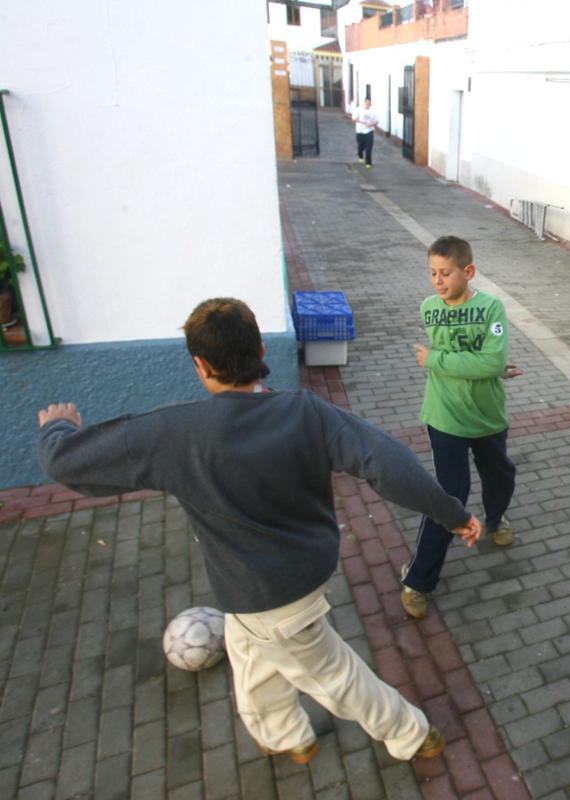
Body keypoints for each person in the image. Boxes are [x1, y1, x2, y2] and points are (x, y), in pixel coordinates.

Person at [36, 298, 482, 766]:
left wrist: (57, 428)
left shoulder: (175, 433)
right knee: (247, 653)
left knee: (334, 676)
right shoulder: (307, 412)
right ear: (261, 350)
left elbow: (66, 461)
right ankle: (287, 734)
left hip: (272, 596)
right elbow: (389, 462)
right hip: (269, 586)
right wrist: (452, 514)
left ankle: (413, 734)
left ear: (200, 364)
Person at [404, 235, 517, 620]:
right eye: (432, 273)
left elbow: (489, 363)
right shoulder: (428, 308)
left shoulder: (491, 307)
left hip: (487, 418)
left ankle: (497, 519)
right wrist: (482, 363)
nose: (437, 281)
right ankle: (419, 581)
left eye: (446, 273)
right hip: (444, 417)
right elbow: (482, 361)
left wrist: (436, 359)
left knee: (499, 476)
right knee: (450, 497)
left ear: (468, 272)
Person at [352, 98, 379, 168]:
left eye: (369, 103)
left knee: (369, 147)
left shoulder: (373, 112)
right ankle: (360, 155)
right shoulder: (359, 109)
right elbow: (354, 119)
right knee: (361, 146)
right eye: (366, 102)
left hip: (369, 131)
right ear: (364, 103)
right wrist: (362, 122)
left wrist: (372, 125)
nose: (368, 104)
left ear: (371, 103)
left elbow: (376, 121)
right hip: (360, 131)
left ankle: (368, 163)